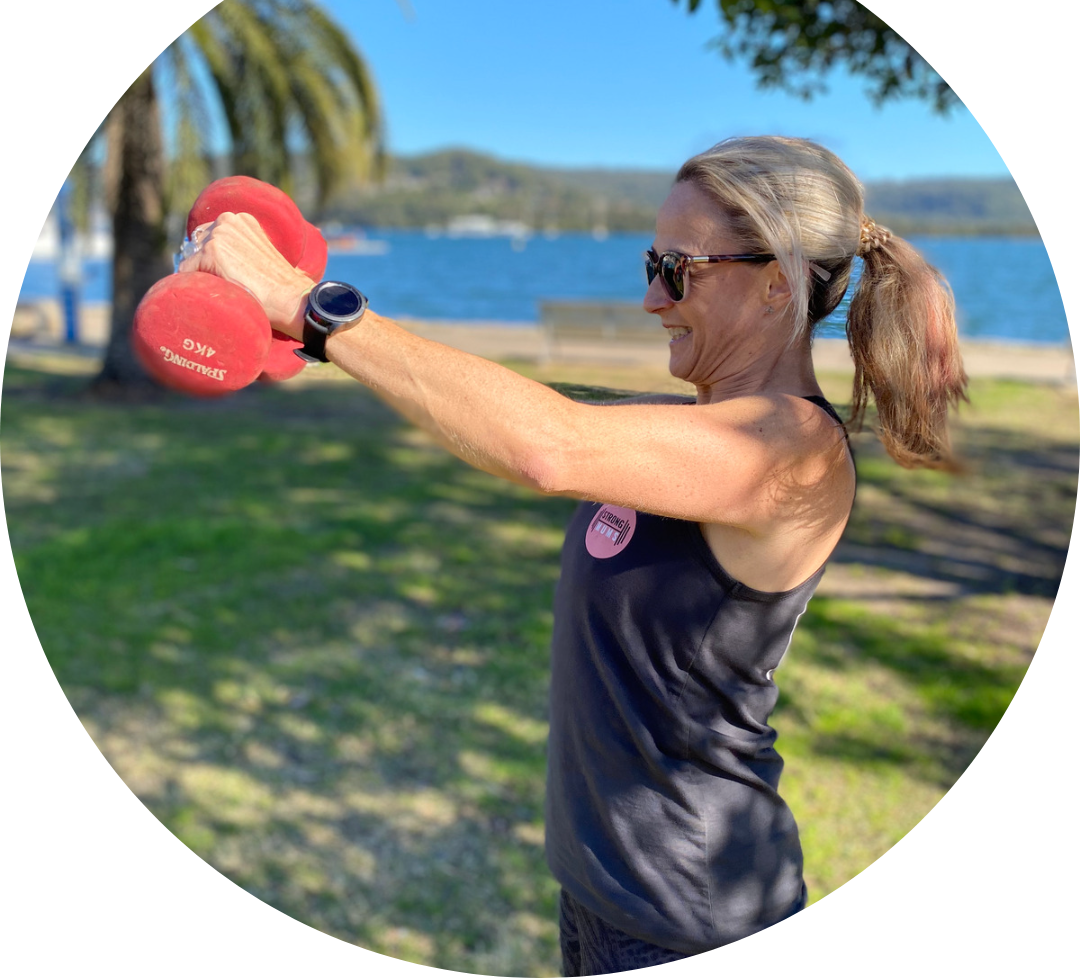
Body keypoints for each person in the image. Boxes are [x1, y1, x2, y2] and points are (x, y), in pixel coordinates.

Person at [178, 136, 967, 970]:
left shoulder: (794, 449)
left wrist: (309, 306)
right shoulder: (691, 426)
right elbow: (501, 413)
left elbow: (547, 446)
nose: (652, 299)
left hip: (686, 914)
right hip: (604, 892)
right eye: (650, 264)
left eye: (679, 270)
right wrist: (307, 340)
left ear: (779, 280)